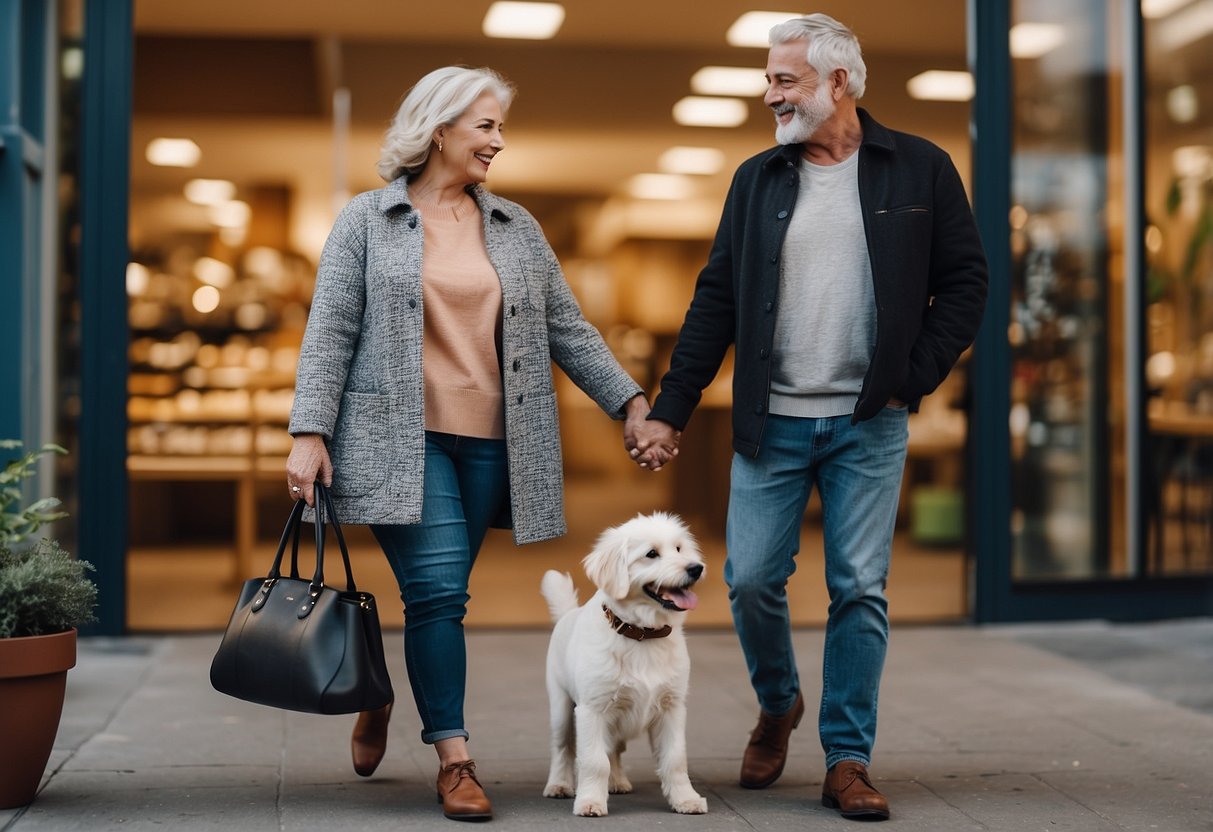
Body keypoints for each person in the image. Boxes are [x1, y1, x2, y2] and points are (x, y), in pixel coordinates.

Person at [285, 65, 670, 823]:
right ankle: (454, 760)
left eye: (499, 126)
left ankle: (384, 690)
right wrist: (309, 431)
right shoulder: (367, 220)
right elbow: (329, 330)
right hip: (399, 438)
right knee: (438, 595)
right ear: (439, 130)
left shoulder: (514, 226)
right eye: (486, 126)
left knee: (437, 601)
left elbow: (566, 326)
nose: (499, 140)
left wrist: (630, 401)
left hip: (495, 441)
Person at [628, 13, 988, 822]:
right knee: (749, 578)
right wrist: (671, 408)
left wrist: (911, 375)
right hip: (772, 421)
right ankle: (779, 700)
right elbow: (714, 298)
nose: (769, 95)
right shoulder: (758, 179)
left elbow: (965, 283)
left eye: (782, 79)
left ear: (839, 83)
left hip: (869, 419)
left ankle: (847, 758)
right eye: (768, 78)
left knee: (858, 586)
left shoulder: (920, 170)